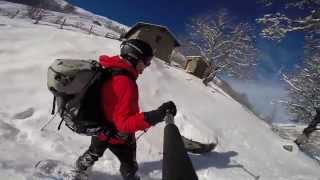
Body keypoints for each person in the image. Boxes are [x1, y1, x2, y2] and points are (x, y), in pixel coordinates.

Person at [74, 39, 177, 180]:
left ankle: (81, 168)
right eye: (146, 61)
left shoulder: (111, 70)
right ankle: (130, 176)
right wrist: (157, 115)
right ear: (134, 58)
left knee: (94, 152)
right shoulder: (125, 82)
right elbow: (124, 124)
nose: (147, 66)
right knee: (129, 164)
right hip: (119, 137)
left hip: (100, 130)